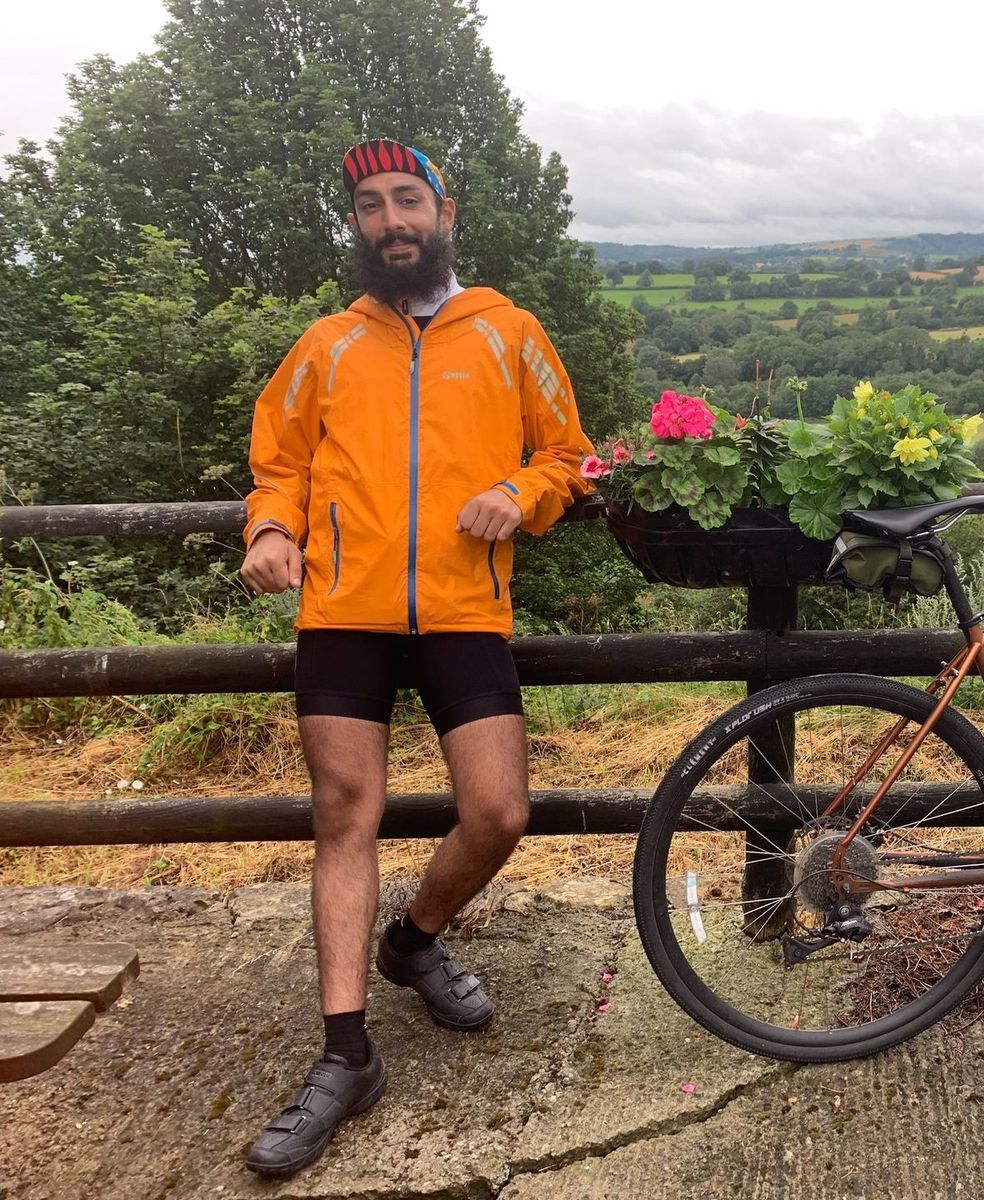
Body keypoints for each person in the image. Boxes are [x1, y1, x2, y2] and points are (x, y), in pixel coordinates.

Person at [237, 138, 593, 1177]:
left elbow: (569, 456)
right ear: (357, 225)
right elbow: (277, 462)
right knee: (344, 813)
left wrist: (521, 494)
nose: (390, 219)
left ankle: (413, 940)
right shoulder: (325, 345)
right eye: (370, 205)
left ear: (445, 211)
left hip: (464, 607)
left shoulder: (511, 332)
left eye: (407, 199)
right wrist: (270, 529)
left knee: (499, 812)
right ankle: (346, 1055)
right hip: (342, 610)